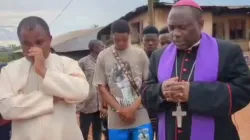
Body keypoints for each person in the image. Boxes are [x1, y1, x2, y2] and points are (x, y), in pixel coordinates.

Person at [141, 0, 250, 140]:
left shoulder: (227, 51)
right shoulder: (158, 56)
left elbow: (244, 91)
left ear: (200, 24)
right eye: (171, 27)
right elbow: (145, 93)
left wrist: (193, 93)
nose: (175, 34)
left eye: (182, 27)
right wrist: (162, 91)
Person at [0, 16, 89, 140]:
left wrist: (43, 71)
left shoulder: (67, 64)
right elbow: (6, 108)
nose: (34, 49)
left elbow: (81, 92)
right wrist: (51, 99)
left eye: (39, 42)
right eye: (26, 44)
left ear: (50, 39)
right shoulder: (9, 70)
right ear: (20, 43)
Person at [93, 19, 153, 140]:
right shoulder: (103, 56)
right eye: (117, 40)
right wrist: (121, 110)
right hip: (116, 121)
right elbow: (101, 87)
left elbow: (148, 84)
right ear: (112, 36)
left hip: (141, 117)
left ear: (130, 35)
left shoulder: (140, 54)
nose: (120, 43)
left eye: (124, 40)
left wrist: (132, 108)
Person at [77, 40, 104, 140]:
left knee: (98, 130)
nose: (103, 47)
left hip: (100, 104)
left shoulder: (103, 61)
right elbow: (76, 80)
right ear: (93, 48)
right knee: (84, 130)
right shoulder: (83, 62)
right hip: (87, 103)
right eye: (101, 46)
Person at [142, 25, 159, 139]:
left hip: (159, 108)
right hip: (141, 109)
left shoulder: (163, 57)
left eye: (153, 40)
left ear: (158, 41)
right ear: (142, 40)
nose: (150, 43)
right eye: (147, 40)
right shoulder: (138, 57)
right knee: (143, 137)